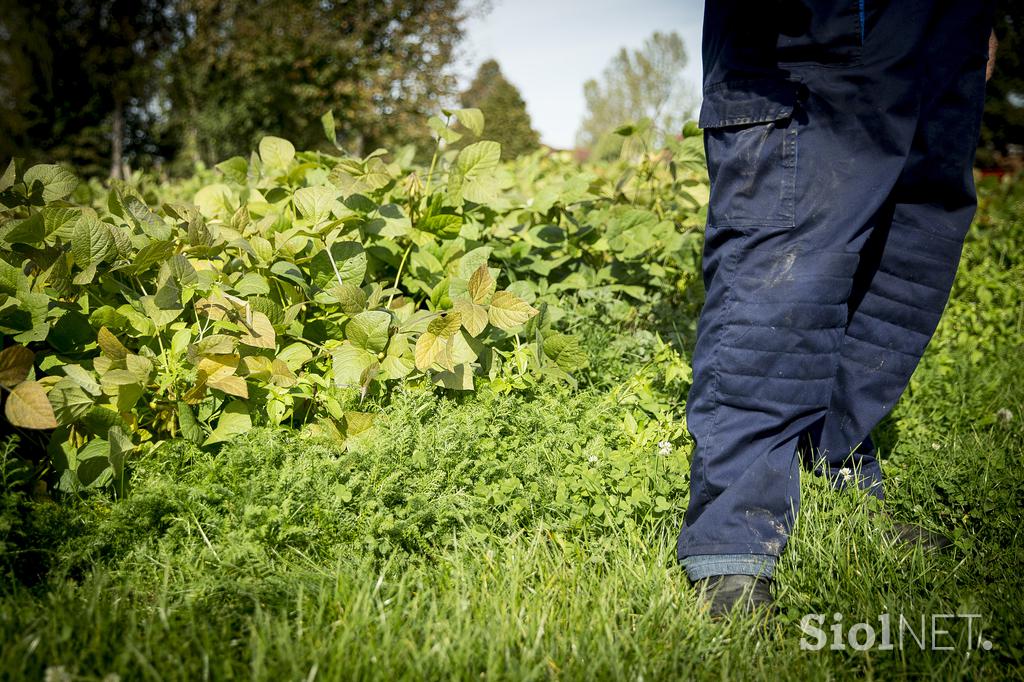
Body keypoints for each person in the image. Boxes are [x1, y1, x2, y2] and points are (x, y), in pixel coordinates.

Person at [676, 0, 997, 616]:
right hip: (813, 26)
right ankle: (735, 539)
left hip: (938, 25)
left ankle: (835, 469)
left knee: (907, 253)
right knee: (781, 266)